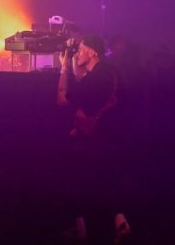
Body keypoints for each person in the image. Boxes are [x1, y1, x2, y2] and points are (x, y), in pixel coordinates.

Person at [57, 35, 123, 245]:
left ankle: (87, 230)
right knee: (104, 184)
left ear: (93, 51)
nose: (78, 52)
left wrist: (64, 68)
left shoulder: (96, 77)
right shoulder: (110, 72)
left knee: (81, 183)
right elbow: (83, 84)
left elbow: (62, 99)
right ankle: (119, 222)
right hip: (112, 136)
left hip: (95, 140)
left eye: (82, 49)